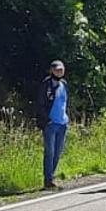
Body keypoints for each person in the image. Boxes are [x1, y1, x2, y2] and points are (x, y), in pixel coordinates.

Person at [41, 60, 69, 191]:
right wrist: (46, 120)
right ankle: (48, 180)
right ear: (52, 70)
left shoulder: (64, 84)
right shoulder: (46, 84)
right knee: (50, 152)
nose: (60, 72)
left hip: (62, 123)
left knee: (58, 152)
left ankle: (52, 176)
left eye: (61, 69)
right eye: (57, 70)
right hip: (51, 123)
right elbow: (40, 103)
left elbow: (64, 102)